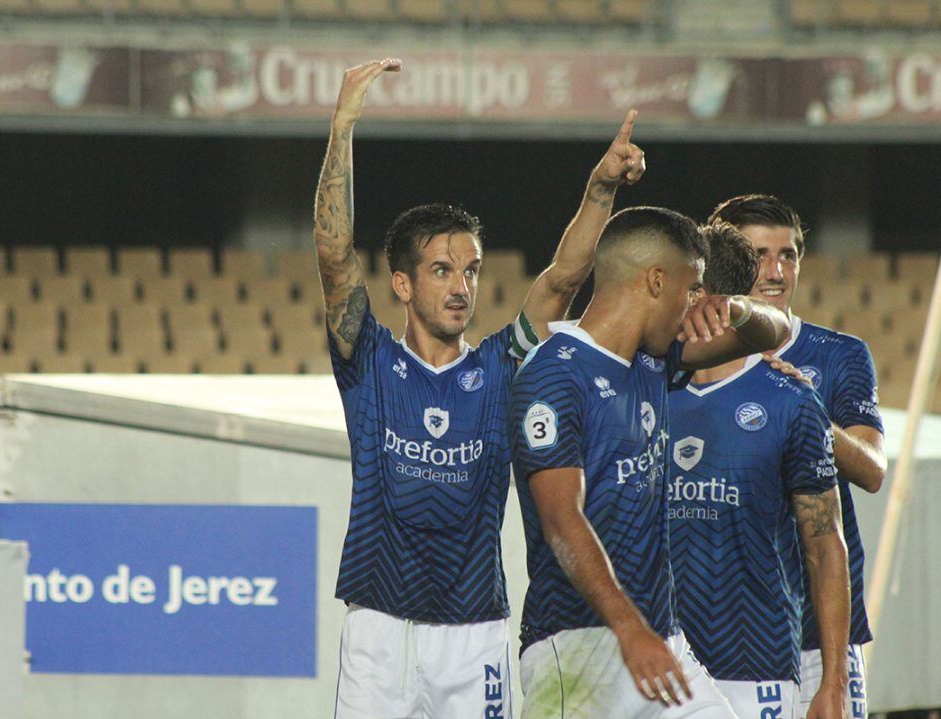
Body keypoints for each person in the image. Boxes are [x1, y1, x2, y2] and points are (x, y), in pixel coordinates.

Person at [314, 58, 647, 718]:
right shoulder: (369, 360)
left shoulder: (501, 367)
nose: (462, 285)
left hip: (476, 638)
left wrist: (601, 191)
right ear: (403, 285)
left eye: (469, 269)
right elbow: (333, 253)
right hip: (378, 631)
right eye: (442, 270)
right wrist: (343, 125)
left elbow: (559, 282)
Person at [508, 206, 791, 719]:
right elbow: (561, 520)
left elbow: (775, 334)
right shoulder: (552, 376)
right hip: (578, 649)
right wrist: (629, 628)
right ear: (657, 281)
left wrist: (737, 310)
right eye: (693, 289)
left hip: (661, 641)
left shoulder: (653, 360)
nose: (695, 304)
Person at [709, 195, 885, 719]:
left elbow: (873, 469)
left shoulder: (839, 355)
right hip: (732, 627)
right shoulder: (688, 359)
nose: (776, 270)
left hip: (820, 627)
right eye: (760, 254)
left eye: (788, 255)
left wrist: (801, 408)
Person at [667, 222, 850, 719]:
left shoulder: (789, 399)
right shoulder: (644, 389)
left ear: (701, 295)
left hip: (756, 669)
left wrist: (834, 683)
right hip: (661, 668)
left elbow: (824, 545)